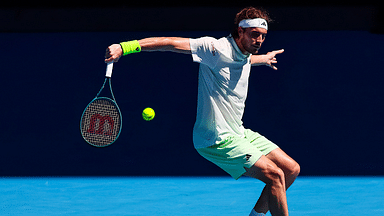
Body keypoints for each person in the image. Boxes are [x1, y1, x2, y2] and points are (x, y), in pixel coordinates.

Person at [105, 6, 300, 216]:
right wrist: (125, 47)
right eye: (254, 35)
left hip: (238, 132)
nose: (259, 40)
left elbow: (242, 61)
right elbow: (169, 43)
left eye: (263, 36)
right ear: (240, 31)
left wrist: (263, 59)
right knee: (274, 175)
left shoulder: (243, 53)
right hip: (215, 139)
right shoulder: (214, 48)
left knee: (290, 169)